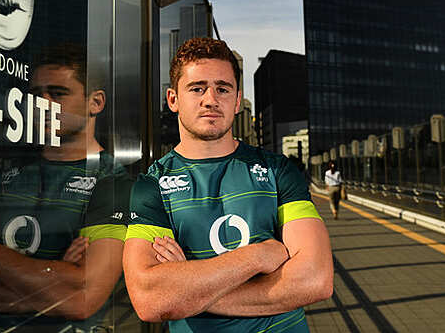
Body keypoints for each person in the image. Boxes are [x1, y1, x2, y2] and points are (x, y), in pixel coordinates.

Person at [123, 38, 333, 332]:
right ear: (173, 99)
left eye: (222, 89)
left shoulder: (278, 170)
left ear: (237, 101)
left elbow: (315, 280)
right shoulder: (152, 185)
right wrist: (257, 256)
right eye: (197, 88)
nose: (210, 99)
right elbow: (150, 301)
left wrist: (186, 289)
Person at [0, 44, 132, 332]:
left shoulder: (112, 182)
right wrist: (52, 279)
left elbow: (82, 299)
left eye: (58, 94)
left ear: (96, 103)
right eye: (37, 95)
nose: (44, 104)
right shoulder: (6, 175)